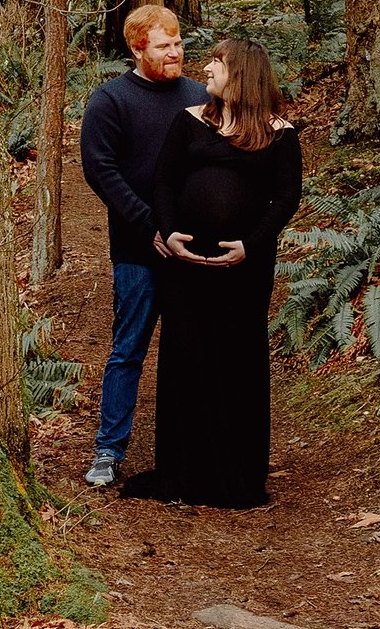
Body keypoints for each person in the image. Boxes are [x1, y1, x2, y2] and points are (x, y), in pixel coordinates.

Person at [120, 38, 303, 510]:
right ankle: (183, 472)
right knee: (186, 356)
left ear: (241, 73)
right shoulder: (191, 121)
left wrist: (251, 245)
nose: (207, 68)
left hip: (244, 269)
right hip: (185, 267)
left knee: (237, 359)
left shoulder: (279, 134)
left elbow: (285, 199)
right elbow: (163, 180)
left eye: (217, 63)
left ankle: (235, 477)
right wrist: (167, 231)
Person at [78, 4, 210, 488]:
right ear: (138, 48)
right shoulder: (110, 101)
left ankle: (194, 450)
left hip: (195, 249)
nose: (175, 52)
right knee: (129, 348)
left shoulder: (199, 96)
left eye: (178, 43)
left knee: (194, 350)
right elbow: (101, 171)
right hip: (138, 251)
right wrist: (150, 226)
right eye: (164, 45)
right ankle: (109, 450)